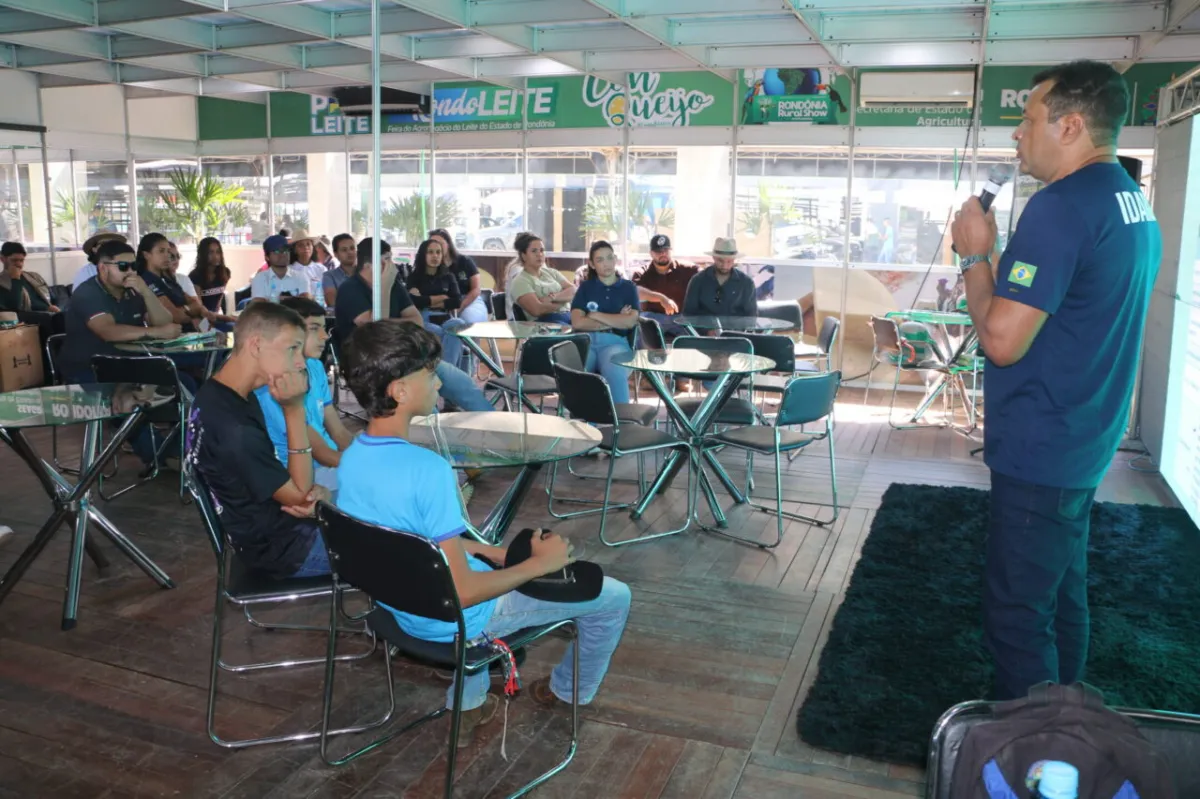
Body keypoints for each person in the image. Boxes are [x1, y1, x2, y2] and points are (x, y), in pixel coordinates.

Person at [949, 60, 1161, 702]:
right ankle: (1071, 724)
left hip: (1044, 442)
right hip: (1084, 434)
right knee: (1063, 595)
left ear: (1070, 126)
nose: (1017, 134)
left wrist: (975, 255)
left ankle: (1037, 758)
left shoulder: (1060, 208)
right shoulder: (1129, 199)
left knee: (1016, 615)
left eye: (1028, 119)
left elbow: (1001, 341)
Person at [336, 320, 631, 746]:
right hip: (455, 617)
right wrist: (535, 566)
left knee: (485, 564)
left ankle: (467, 708)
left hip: (399, 606)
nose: (439, 381)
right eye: (429, 373)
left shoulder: (354, 459)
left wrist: (487, 550)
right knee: (615, 597)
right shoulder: (429, 470)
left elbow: (410, 541)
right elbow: (464, 594)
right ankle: (567, 691)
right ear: (400, 391)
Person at [186, 302, 332, 579]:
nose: (301, 362)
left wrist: (317, 497)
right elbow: (300, 495)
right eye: (292, 348)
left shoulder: (220, 394)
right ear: (256, 346)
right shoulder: (234, 427)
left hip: (274, 533)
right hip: (288, 549)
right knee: (411, 541)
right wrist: (294, 409)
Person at [335, 237, 493, 414]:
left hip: (407, 357)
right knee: (425, 402)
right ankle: (432, 437)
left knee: (464, 385)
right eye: (388, 259)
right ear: (374, 263)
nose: (393, 265)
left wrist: (388, 306)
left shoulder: (394, 286)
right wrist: (385, 289)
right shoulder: (350, 289)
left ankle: (499, 430)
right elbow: (377, 329)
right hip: (372, 364)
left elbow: (416, 319)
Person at [254, 297, 352, 493]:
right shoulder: (274, 384)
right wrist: (366, 463)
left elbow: (339, 432)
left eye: (324, 328)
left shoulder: (314, 367)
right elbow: (321, 453)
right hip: (302, 476)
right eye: (314, 328)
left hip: (330, 465)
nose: (325, 336)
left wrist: (371, 453)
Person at [60, 239, 180, 381]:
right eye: (123, 266)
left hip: (127, 364)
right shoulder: (88, 292)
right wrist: (157, 332)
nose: (130, 272)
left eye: (134, 266)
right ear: (103, 268)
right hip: (89, 368)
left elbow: (164, 322)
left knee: (183, 382)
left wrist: (146, 292)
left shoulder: (132, 290)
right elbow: (108, 331)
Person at [570, 241, 637, 404]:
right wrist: (615, 319)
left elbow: (630, 321)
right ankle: (584, 425)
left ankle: (622, 423)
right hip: (586, 342)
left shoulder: (628, 287)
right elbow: (577, 323)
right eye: (600, 260)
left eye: (609, 258)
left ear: (615, 259)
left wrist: (595, 314)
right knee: (575, 374)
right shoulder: (586, 288)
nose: (606, 263)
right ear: (592, 265)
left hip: (615, 343)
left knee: (614, 370)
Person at [407, 237, 469, 368]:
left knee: (458, 324)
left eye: (438, 252)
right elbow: (414, 302)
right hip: (424, 318)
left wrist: (427, 300)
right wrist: (442, 297)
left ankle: (445, 372)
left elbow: (457, 301)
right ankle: (450, 372)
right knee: (442, 333)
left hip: (446, 317)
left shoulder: (448, 276)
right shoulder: (414, 277)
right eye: (430, 252)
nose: (435, 256)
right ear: (423, 254)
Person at [633, 234, 697, 338]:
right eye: (658, 251)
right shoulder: (642, 272)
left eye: (666, 250)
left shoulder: (687, 269)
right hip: (653, 318)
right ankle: (642, 354)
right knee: (640, 326)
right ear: (651, 253)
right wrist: (661, 298)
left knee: (695, 336)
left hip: (681, 318)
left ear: (671, 251)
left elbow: (705, 277)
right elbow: (635, 292)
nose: (663, 253)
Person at [507, 232, 574, 323]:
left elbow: (573, 290)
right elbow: (537, 310)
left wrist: (552, 298)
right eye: (534, 251)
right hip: (545, 325)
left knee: (592, 324)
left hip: (569, 316)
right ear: (524, 256)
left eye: (542, 250)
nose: (539, 254)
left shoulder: (552, 272)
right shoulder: (520, 281)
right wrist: (564, 300)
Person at [682, 237, 758, 318]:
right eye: (720, 260)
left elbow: (751, 317)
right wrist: (705, 330)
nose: (725, 265)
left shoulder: (746, 283)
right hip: (702, 329)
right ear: (713, 258)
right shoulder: (698, 280)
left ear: (734, 259)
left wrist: (735, 330)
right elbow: (688, 314)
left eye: (729, 261)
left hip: (735, 330)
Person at [135, 233, 194, 331]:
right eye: (161, 251)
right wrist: (193, 313)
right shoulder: (145, 280)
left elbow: (195, 303)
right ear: (146, 255)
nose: (167, 256)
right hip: (172, 338)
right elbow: (176, 317)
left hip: (189, 335)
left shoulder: (167, 277)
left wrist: (186, 311)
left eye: (168, 251)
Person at [428, 228, 487, 324]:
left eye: (440, 243)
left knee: (468, 321)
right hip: (441, 302)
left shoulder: (465, 261)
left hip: (469, 300)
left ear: (448, 244)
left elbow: (476, 289)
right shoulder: (429, 266)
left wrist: (460, 306)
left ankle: (468, 339)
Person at [250, 235, 309, 304]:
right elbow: (259, 306)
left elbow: (305, 303)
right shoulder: (260, 279)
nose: (283, 254)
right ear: (267, 257)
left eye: (285, 250)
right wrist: (293, 300)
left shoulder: (300, 276)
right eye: (277, 252)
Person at [0, 242, 58, 313]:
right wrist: (15, 279)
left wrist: (52, 307)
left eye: (21, 260)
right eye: (14, 260)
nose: (19, 264)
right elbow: (14, 308)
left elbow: (52, 297)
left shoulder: (34, 276)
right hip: (27, 320)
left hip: (49, 314)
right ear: (2, 259)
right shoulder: (2, 283)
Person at [189, 237, 234, 319]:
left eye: (218, 252)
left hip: (216, 317)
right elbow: (199, 307)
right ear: (203, 254)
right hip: (201, 319)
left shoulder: (225, 273)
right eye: (211, 252)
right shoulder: (195, 276)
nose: (215, 256)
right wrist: (227, 318)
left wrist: (221, 317)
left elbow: (218, 301)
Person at [321, 233, 357, 308]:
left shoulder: (366, 273)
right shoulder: (329, 276)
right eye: (344, 250)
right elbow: (333, 303)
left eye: (352, 248)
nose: (350, 252)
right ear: (336, 254)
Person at [290, 232, 327, 299]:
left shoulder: (321, 269)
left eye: (308, 244)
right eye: (301, 245)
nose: (306, 247)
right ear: (295, 250)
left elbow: (327, 293)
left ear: (313, 247)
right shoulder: (289, 270)